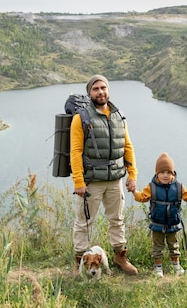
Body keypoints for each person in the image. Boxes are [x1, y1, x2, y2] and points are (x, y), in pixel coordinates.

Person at [70, 75, 139, 276]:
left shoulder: (118, 116)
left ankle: (120, 257)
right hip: (91, 182)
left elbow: (128, 146)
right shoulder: (80, 118)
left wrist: (132, 174)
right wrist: (79, 181)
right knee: (84, 222)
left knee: (117, 219)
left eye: (104, 88)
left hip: (115, 179)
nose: (101, 92)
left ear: (108, 90)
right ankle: (79, 262)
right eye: (96, 89)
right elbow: (75, 151)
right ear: (90, 93)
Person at [133, 152, 187, 278]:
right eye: (162, 173)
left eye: (168, 172)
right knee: (157, 246)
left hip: (173, 223)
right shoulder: (152, 187)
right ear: (157, 174)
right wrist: (134, 191)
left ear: (173, 173)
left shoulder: (178, 187)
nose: (165, 175)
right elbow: (142, 197)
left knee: (174, 245)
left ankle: (176, 265)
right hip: (157, 223)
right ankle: (157, 267)